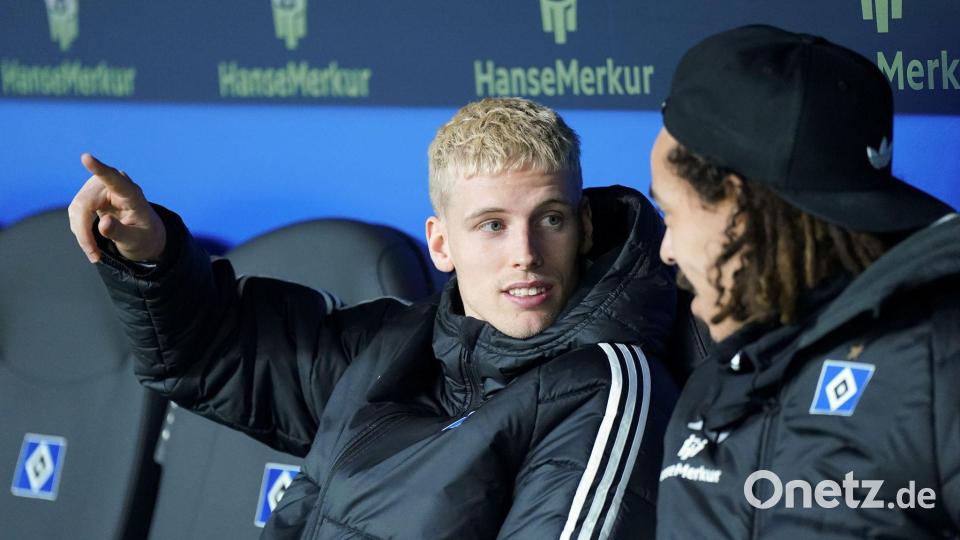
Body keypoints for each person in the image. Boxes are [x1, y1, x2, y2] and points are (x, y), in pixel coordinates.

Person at [69, 97, 679, 538]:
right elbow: (215, 354)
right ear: (441, 244)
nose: (526, 253)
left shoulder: (606, 386)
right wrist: (149, 253)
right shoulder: (400, 342)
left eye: (550, 219)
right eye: (492, 225)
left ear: (584, 227)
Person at [649, 25, 959, 538]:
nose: (667, 250)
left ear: (738, 212)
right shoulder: (714, 382)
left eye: (670, 212)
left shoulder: (941, 365)